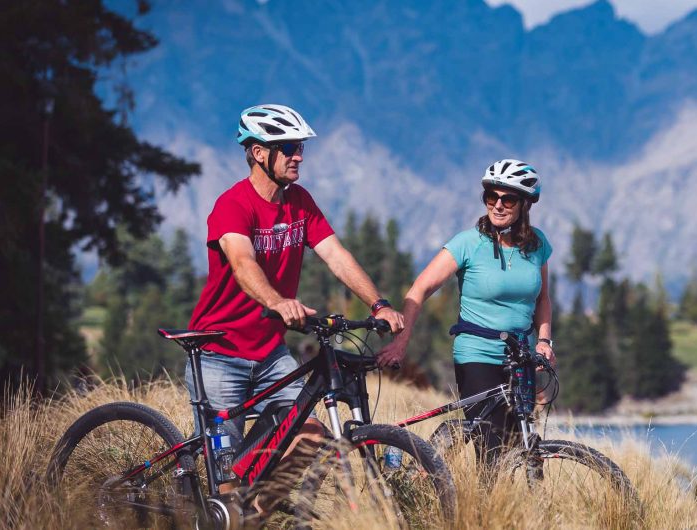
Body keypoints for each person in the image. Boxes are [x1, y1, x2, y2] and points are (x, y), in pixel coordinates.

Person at [186, 104, 405, 499]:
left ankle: (253, 517)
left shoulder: (299, 202)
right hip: (219, 353)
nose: (298, 156)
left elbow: (336, 256)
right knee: (226, 478)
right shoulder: (232, 205)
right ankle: (223, 508)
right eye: (288, 147)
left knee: (310, 436)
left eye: (300, 147)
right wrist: (277, 301)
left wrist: (379, 304)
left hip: (269, 353)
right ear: (258, 152)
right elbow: (241, 261)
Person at [378, 158, 555, 464]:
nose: (497, 205)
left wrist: (544, 341)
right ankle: (484, 508)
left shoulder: (537, 245)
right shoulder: (467, 243)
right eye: (491, 197)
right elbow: (418, 291)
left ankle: (449, 447)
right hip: (477, 354)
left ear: (526, 204)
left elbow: (542, 299)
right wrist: (400, 343)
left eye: (508, 199)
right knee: (493, 448)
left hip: (520, 355)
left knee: (523, 444)